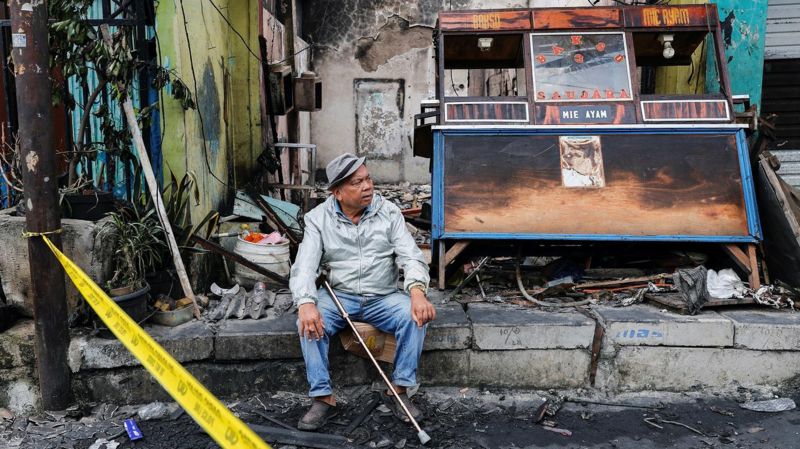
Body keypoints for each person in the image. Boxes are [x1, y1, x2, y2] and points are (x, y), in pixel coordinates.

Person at [290, 153, 437, 431]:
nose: (367, 186)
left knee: (413, 316)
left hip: (382, 296)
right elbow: (304, 267)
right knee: (307, 322)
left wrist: (417, 291)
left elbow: (411, 256)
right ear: (338, 192)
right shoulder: (318, 219)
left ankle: (399, 390)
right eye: (357, 182)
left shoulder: (389, 212)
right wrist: (306, 303)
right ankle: (323, 397)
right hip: (340, 297)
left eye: (368, 178)